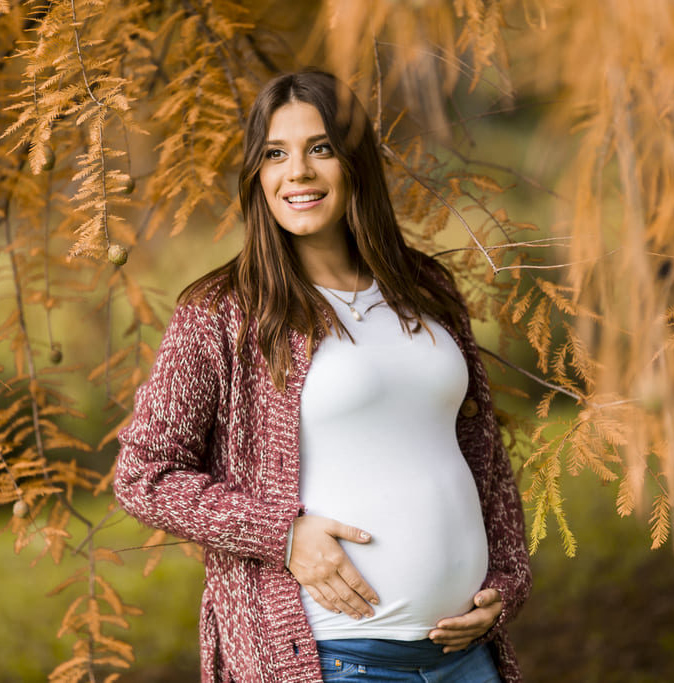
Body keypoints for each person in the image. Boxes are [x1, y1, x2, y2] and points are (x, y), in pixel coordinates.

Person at [112, 69, 531, 683]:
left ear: (354, 162)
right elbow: (142, 475)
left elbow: (484, 459)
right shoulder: (223, 312)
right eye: (276, 154)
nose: (298, 173)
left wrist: (504, 584)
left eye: (321, 149)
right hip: (332, 661)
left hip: (466, 661)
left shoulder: (427, 288)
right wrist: (282, 536)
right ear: (257, 174)